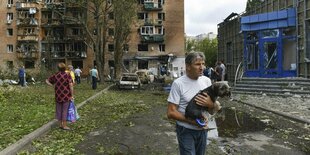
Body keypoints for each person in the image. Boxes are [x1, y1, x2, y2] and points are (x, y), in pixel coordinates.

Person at [167, 51, 216, 155]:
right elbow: (171, 112)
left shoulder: (207, 81)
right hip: (186, 130)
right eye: (198, 64)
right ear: (188, 66)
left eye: (203, 64)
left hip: (203, 130)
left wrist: (211, 105)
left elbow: (211, 111)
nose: (202, 67)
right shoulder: (178, 84)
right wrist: (191, 121)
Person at [46, 63, 74, 130]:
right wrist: (72, 95)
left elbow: (47, 80)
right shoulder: (67, 75)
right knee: (65, 110)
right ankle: (64, 125)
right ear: (65, 68)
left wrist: (52, 85)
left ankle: (60, 125)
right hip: (66, 95)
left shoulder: (56, 75)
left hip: (58, 95)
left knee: (58, 110)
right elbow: (70, 85)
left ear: (58, 68)